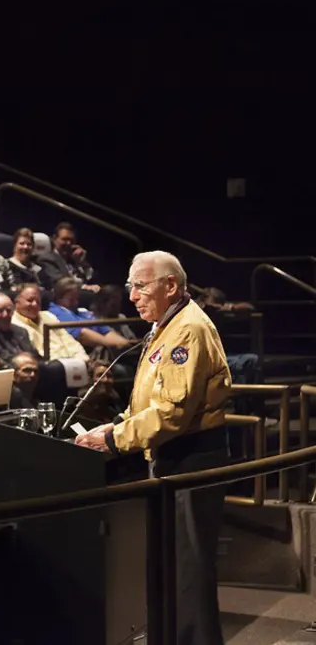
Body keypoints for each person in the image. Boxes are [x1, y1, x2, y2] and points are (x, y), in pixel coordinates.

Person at [75, 251, 231, 645]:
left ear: (171, 286)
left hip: (190, 458)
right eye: (131, 286)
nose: (132, 296)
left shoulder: (187, 330)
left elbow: (172, 412)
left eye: (141, 286)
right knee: (171, 567)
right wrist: (118, 423)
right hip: (170, 454)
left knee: (188, 572)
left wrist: (115, 439)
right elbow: (151, 397)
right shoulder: (168, 324)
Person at [48, 277, 135, 352]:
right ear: (59, 298)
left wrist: (127, 344)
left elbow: (106, 331)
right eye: (71, 300)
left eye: (77, 299)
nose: (75, 303)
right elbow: (82, 334)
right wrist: (115, 345)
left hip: (107, 350)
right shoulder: (56, 312)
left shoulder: (83, 312)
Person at [12, 282, 89, 362]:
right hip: (46, 366)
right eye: (30, 300)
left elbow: (70, 342)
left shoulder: (49, 316)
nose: (35, 304)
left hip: (72, 362)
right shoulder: (13, 324)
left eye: (38, 301)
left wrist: (84, 360)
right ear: (17, 302)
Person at [0, 292, 39, 366]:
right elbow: (1, 357)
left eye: (8, 311)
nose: (5, 315)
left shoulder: (21, 331)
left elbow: (35, 355)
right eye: (0, 311)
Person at [38, 221, 97, 290]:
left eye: (72, 240)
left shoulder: (74, 259)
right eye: (65, 239)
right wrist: (83, 287)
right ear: (54, 239)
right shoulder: (47, 259)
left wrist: (83, 263)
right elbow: (59, 283)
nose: (69, 243)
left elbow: (93, 279)